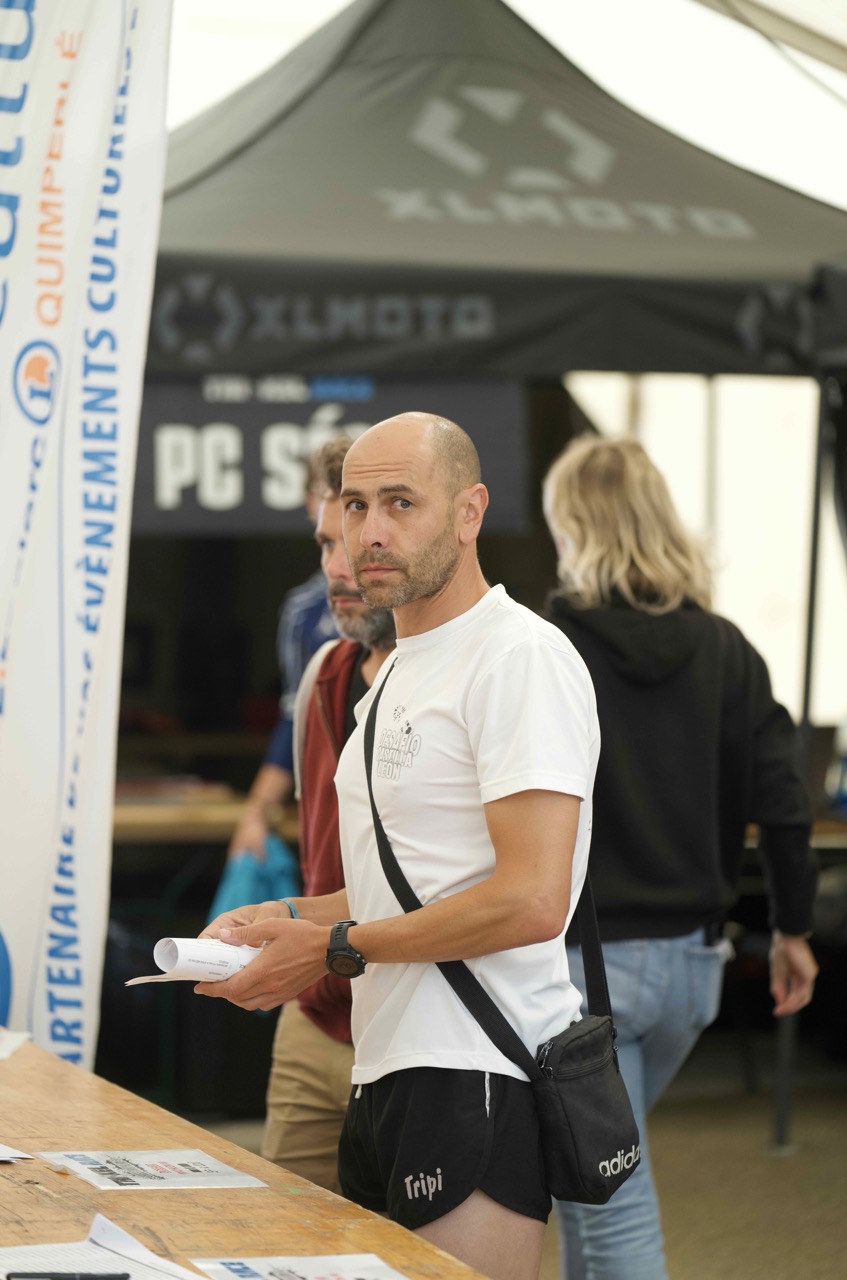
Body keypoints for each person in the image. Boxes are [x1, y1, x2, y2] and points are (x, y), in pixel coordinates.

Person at [196, 412, 600, 1280]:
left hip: (480, 1064)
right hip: (384, 1063)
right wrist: (287, 917)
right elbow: (415, 883)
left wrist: (330, 947)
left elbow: (533, 899)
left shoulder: (517, 656)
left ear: (469, 512)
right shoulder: (397, 669)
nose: (370, 531)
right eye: (355, 505)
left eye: (401, 503)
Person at [541, 434, 819, 1280]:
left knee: (613, 1211)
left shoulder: (546, 647)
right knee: (592, 1188)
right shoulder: (727, 649)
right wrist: (792, 928)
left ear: (570, 527)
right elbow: (783, 802)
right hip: (692, 971)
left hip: (583, 972)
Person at [261, 436, 396, 1192]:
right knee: (288, 1235)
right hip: (314, 1017)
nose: (336, 569)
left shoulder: (471, 679)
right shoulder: (323, 676)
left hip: (423, 1025)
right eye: (323, 543)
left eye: (353, 544)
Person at [227, 455, 338, 861]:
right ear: (311, 502)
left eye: (355, 498)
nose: (342, 506)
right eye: (329, 493)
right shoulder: (304, 610)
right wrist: (255, 813)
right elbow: (296, 718)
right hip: (332, 805)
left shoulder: (407, 592)